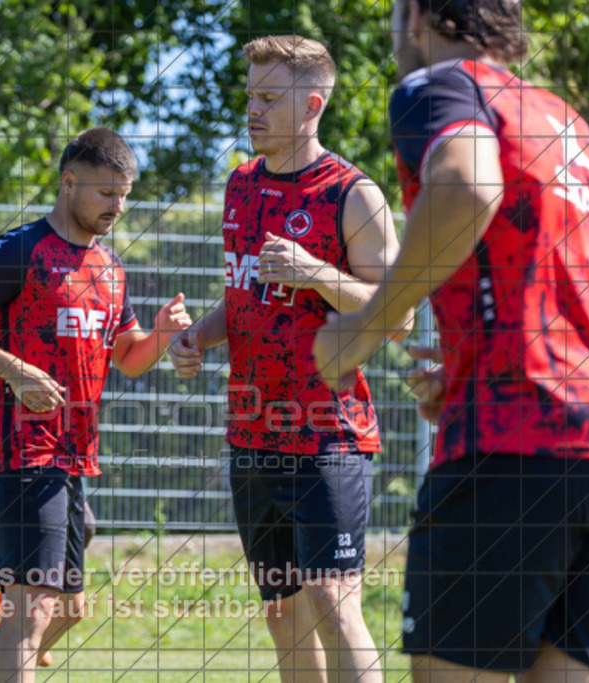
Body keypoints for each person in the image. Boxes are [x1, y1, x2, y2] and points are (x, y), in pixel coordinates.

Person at [313, 0, 589, 680]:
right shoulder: (571, 125)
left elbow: (468, 182)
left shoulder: (447, 85)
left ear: (419, 15)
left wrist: (362, 329)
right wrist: (468, 364)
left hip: (516, 438)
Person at [167, 35, 413, 682]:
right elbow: (244, 298)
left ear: (311, 104)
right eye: (250, 95)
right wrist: (198, 339)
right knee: (283, 612)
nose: (252, 110)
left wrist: (315, 273)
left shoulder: (352, 194)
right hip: (251, 433)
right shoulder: (240, 185)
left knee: (334, 600)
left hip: (326, 433)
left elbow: (400, 312)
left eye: (268, 98)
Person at [0, 127, 191, 683]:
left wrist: (163, 335)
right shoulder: (19, 250)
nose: (117, 207)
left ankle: (10, 608)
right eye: (105, 193)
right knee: (33, 611)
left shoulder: (110, 268)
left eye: (125, 195)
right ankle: (14, 611)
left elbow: (127, 356)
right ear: (68, 181)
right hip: (23, 451)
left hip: (74, 458)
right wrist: (16, 370)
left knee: (67, 607)